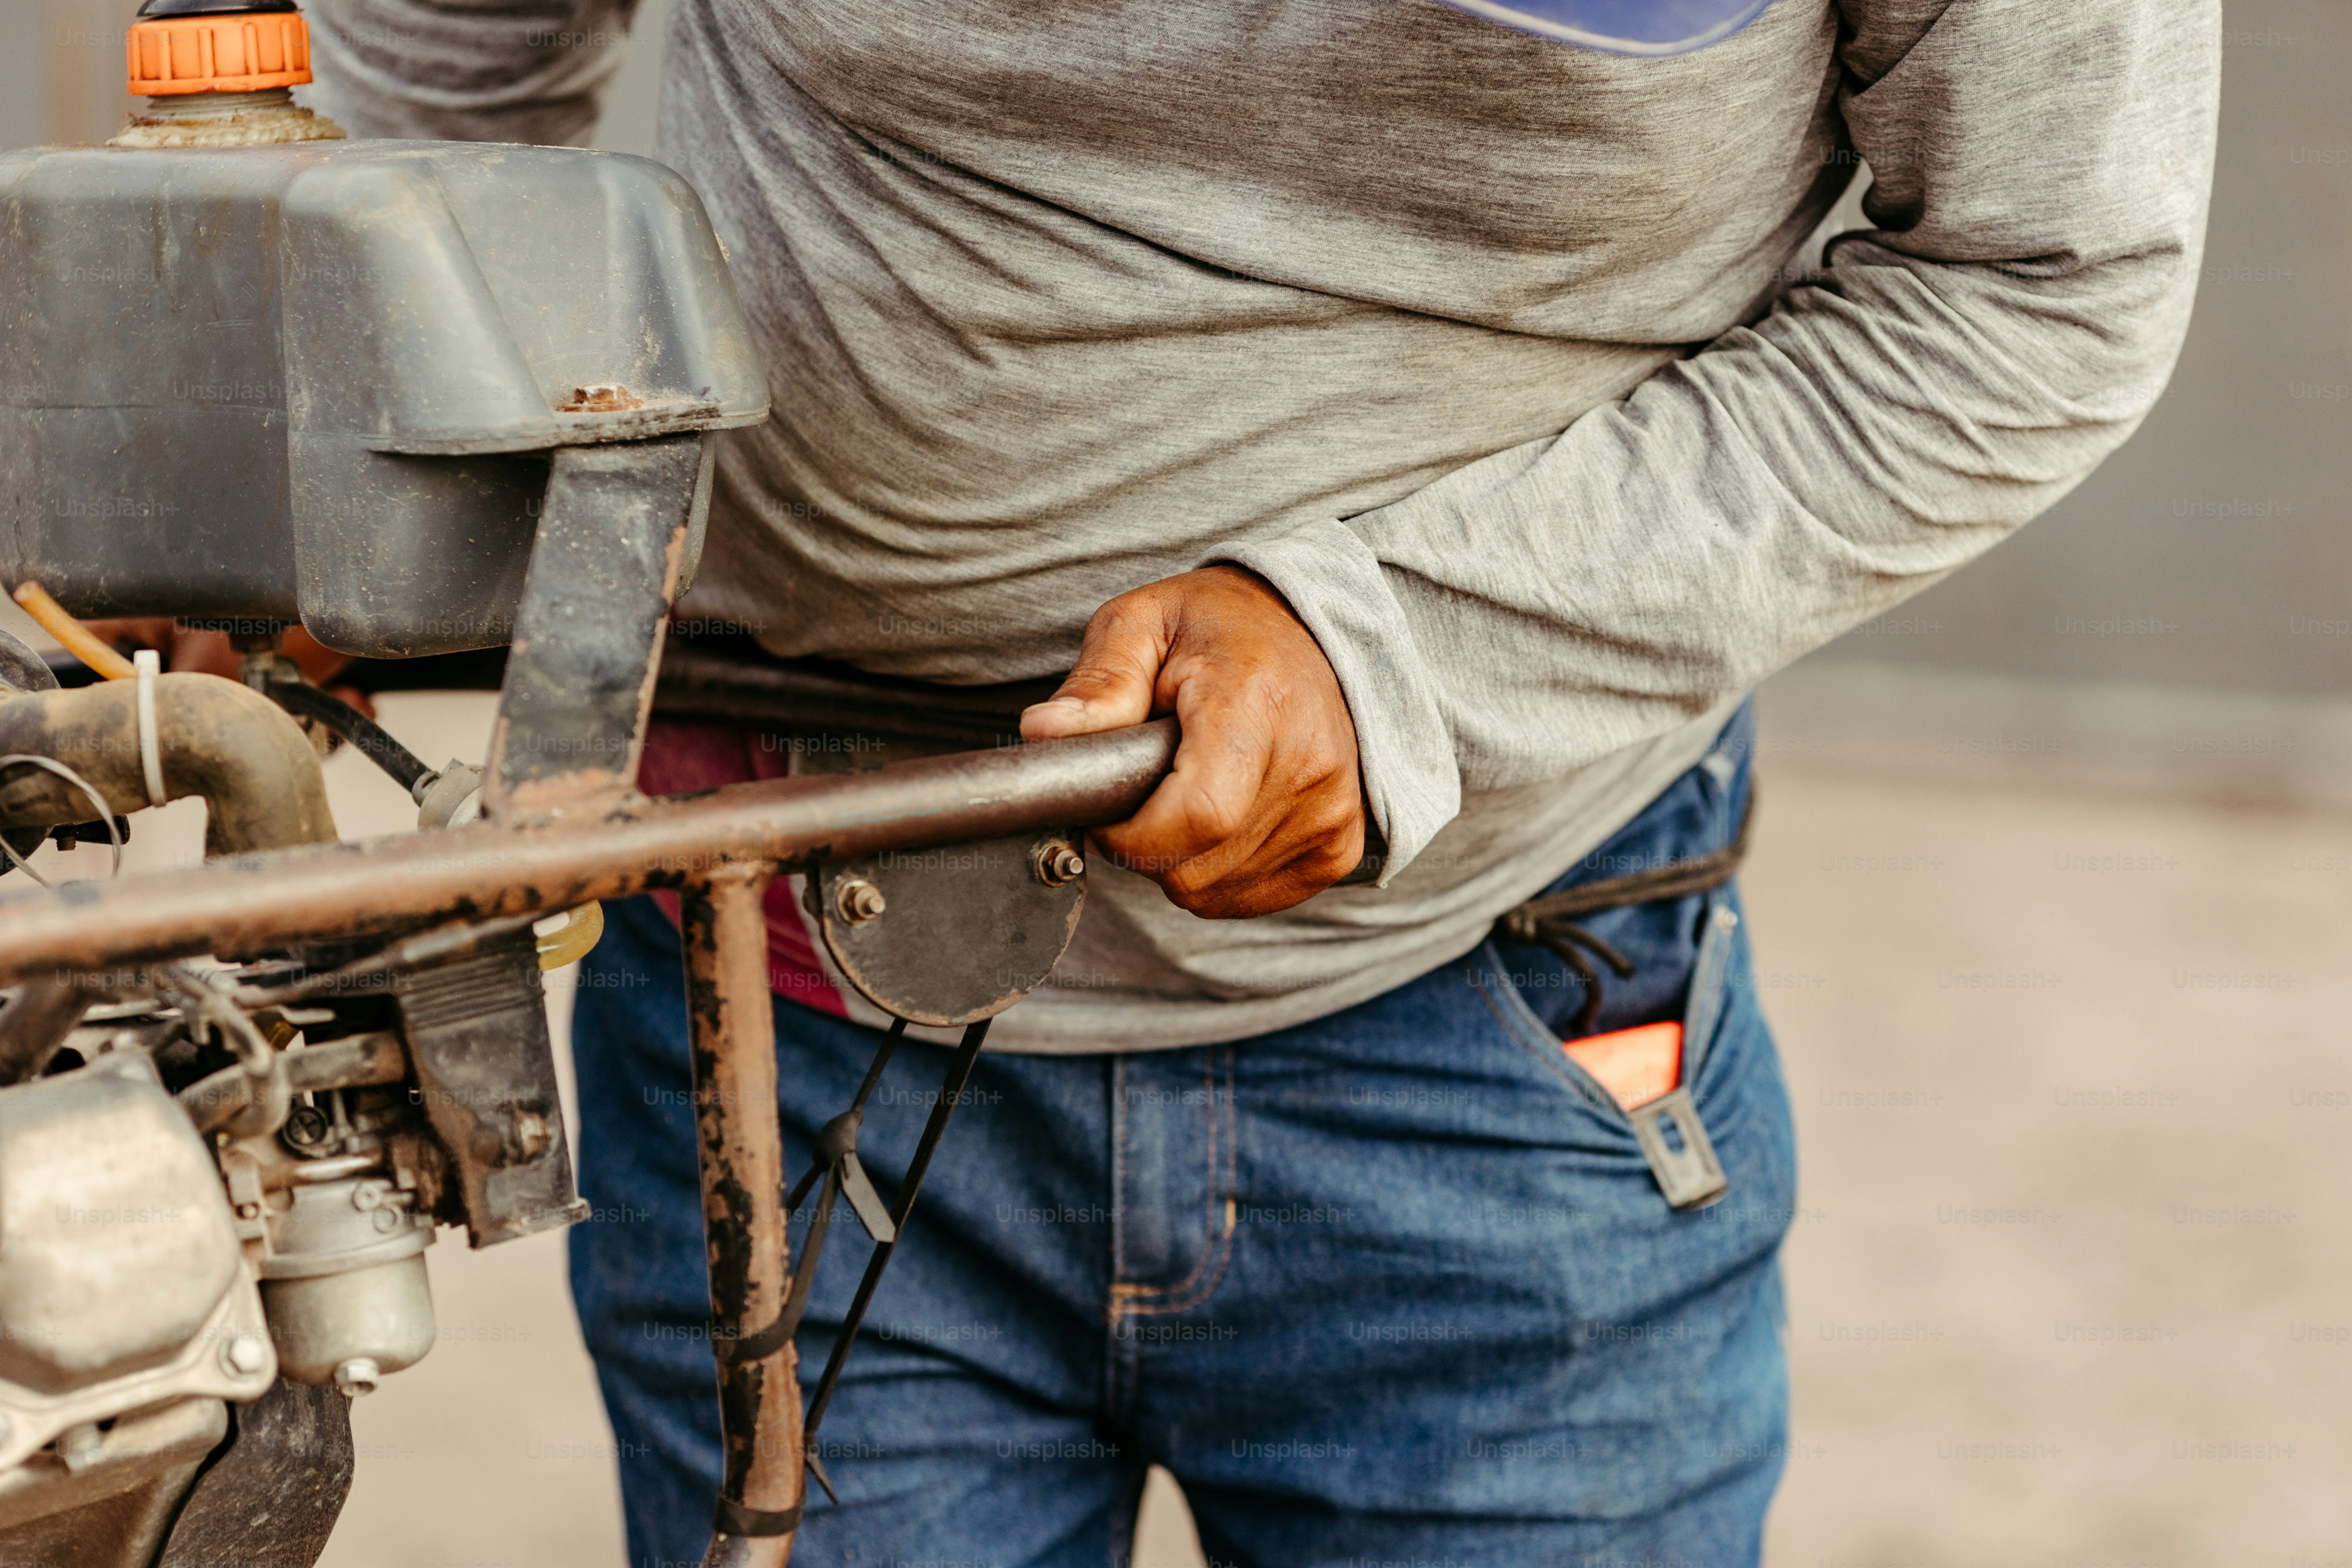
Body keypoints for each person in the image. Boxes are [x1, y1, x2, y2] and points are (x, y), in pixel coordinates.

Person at [300, 1, 2220, 1562]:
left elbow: (2038, 278)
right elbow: (429, 49)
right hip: (787, 1000)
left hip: (1490, 1015)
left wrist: (1402, 647)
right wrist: (293, 407)